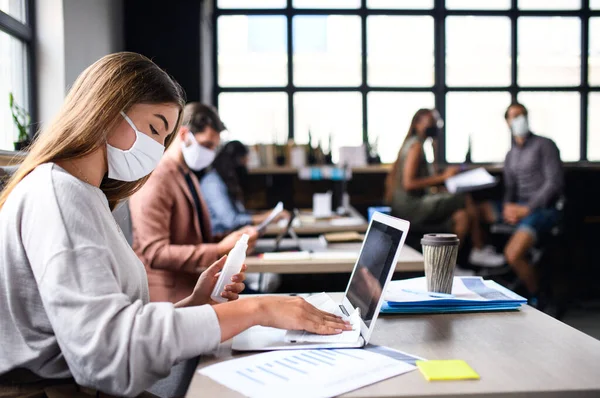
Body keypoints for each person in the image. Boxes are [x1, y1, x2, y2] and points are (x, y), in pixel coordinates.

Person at [0, 53, 350, 398]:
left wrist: (196, 304)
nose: (156, 150)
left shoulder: (87, 194)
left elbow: (113, 324)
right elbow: (106, 355)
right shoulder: (58, 194)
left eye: (163, 139)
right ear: (106, 108)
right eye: (153, 128)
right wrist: (258, 309)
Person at [386, 108, 504, 267]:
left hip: (416, 203)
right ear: (417, 124)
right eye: (431, 123)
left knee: (462, 216)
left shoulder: (419, 144)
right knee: (463, 197)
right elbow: (409, 184)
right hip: (410, 208)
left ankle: (450, 268)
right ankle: (478, 248)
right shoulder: (415, 147)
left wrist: (435, 151)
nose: (434, 126)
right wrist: (444, 177)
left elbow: (427, 179)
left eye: (436, 123)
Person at [482, 102, 564, 296]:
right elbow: (510, 188)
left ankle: (537, 297)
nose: (520, 119)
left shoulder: (545, 145)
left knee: (513, 254)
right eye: (515, 116)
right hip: (519, 207)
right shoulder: (511, 155)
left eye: (523, 115)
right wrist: (508, 208)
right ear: (507, 122)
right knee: (476, 210)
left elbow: (554, 183)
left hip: (543, 209)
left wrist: (527, 209)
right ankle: (483, 256)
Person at [199, 140, 289, 235]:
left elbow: (240, 213)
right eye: (243, 162)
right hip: (218, 240)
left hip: (233, 238)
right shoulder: (212, 183)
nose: (245, 167)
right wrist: (266, 217)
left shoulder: (227, 181)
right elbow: (231, 221)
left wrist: (267, 215)